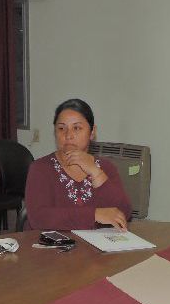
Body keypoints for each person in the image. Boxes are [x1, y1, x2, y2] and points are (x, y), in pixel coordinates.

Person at [24, 98, 132, 230]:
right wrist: (94, 215)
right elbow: (39, 218)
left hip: (98, 246)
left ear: (92, 132)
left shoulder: (106, 167)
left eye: (77, 128)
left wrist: (95, 172)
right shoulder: (40, 168)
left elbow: (123, 212)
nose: (68, 135)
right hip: (53, 247)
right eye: (61, 128)